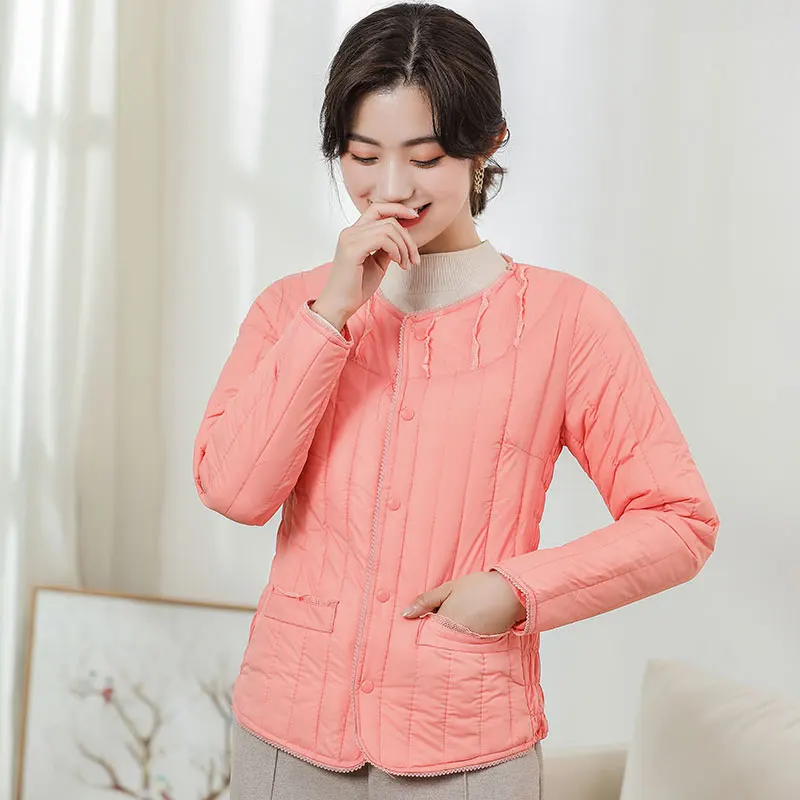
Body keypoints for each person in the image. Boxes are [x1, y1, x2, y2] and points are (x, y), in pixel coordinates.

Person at [192, 3, 720, 798]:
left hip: (468, 745)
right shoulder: (291, 309)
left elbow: (680, 521)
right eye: (362, 156)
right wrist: (331, 315)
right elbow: (234, 492)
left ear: (488, 144)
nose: (391, 189)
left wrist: (515, 591)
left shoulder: (567, 321)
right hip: (286, 740)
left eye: (426, 157)